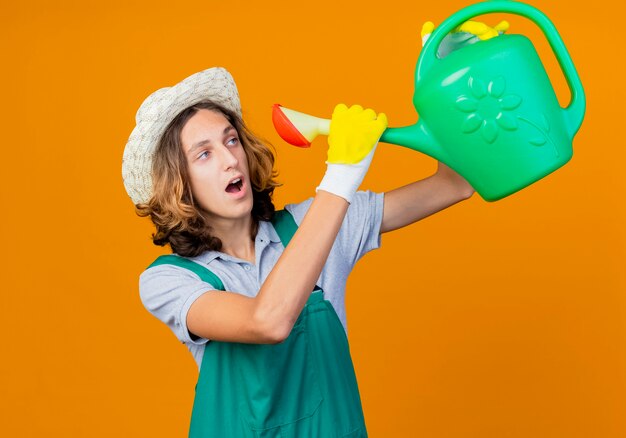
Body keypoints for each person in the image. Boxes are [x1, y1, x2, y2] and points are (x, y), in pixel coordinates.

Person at [121, 21, 506, 436]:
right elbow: (266, 321)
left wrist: (455, 79)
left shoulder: (315, 223)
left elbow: (455, 184)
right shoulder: (168, 280)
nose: (230, 160)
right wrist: (340, 176)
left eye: (231, 140)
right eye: (204, 154)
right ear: (179, 184)